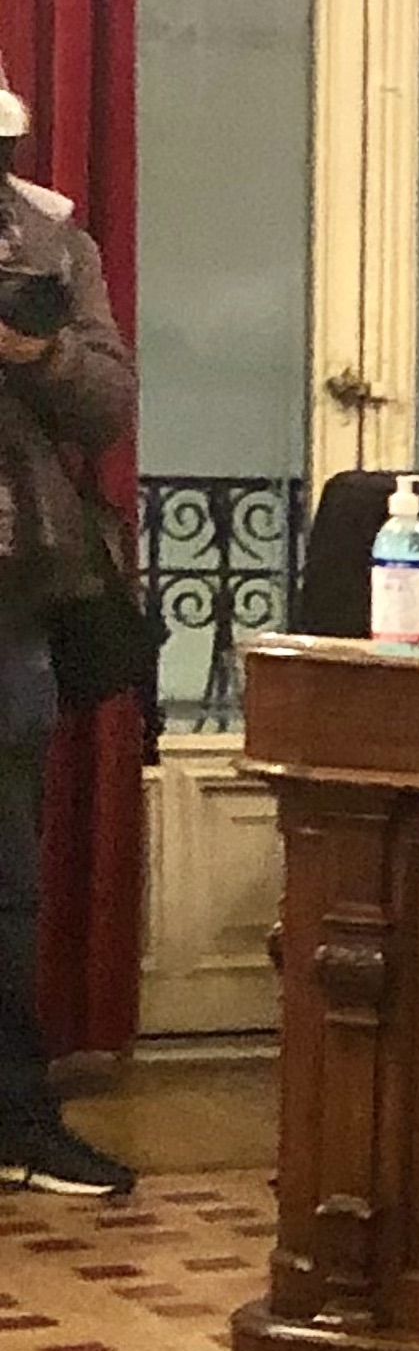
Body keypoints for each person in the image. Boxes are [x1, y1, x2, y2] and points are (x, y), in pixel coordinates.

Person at [0, 76, 136, 1202]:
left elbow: (109, 405)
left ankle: (16, 1116)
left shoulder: (53, 243)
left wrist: (33, 353)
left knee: (8, 878)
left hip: (12, 597)